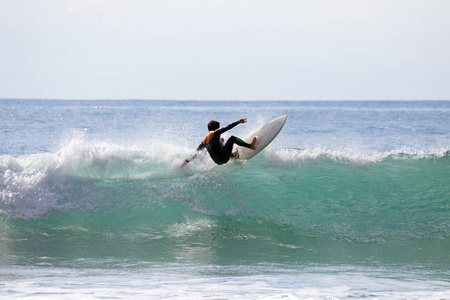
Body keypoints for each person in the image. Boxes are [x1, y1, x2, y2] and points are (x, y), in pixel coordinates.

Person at [180, 118, 258, 168]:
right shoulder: (215, 132)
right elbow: (228, 127)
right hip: (223, 158)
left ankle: (233, 155)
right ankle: (250, 146)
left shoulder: (204, 140)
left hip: (217, 162)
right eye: (219, 127)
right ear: (216, 128)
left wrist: (186, 162)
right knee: (232, 138)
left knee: (222, 140)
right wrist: (238, 122)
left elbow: (195, 152)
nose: (219, 129)